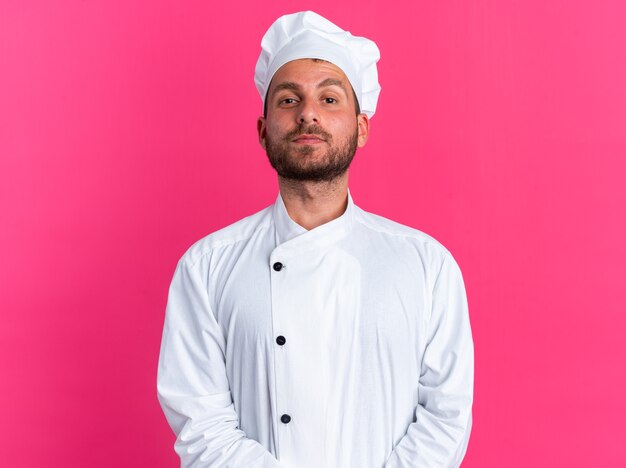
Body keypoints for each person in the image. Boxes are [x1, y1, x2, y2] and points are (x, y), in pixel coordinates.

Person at [157, 11, 473, 468]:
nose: (308, 113)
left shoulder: (427, 265)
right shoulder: (206, 267)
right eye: (288, 100)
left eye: (329, 98)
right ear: (264, 132)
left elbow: (446, 417)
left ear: (361, 127)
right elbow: (200, 425)